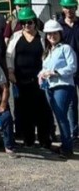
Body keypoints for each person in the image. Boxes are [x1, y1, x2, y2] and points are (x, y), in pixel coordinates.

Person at [6, 7, 52, 149]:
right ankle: (29, 139)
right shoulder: (16, 37)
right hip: (21, 80)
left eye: (30, 22)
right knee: (25, 111)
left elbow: (49, 56)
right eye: (23, 23)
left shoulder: (43, 37)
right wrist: (10, 71)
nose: (27, 25)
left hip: (40, 81)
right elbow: (9, 55)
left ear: (35, 22)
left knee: (43, 111)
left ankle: (45, 140)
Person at [39, 19, 77, 158]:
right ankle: (65, 145)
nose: (52, 36)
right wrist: (41, 75)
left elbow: (72, 67)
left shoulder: (66, 48)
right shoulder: (48, 52)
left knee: (62, 117)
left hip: (63, 86)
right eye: (49, 34)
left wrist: (55, 72)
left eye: (54, 33)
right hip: (50, 86)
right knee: (58, 116)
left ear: (60, 33)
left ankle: (67, 148)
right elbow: (44, 68)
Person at [57, 0, 79, 140]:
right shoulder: (59, 26)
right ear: (62, 8)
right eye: (66, 7)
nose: (69, 10)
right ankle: (74, 132)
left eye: (71, 7)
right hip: (68, 70)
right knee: (71, 102)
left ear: (76, 8)